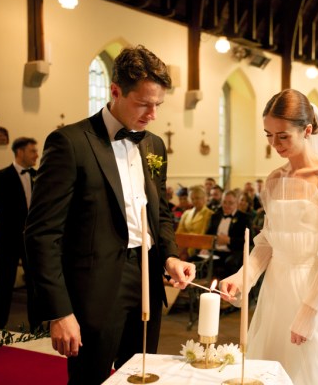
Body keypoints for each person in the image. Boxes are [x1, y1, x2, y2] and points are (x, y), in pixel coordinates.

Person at [24, 45, 195, 385]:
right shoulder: (69, 143)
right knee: (91, 379)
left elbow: (159, 212)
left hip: (146, 277)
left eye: (158, 104)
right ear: (115, 91)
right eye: (144, 103)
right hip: (95, 289)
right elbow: (42, 234)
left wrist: (171, 256)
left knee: (143, 375)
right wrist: (59, 311)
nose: (152, 114)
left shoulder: (154, 145)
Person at [220, 89, 318, 384]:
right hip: (276, 290)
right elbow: (267, 241)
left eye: (283, 136)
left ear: (307, 130)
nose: (274, 144)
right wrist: (243, 277)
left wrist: (309, 312)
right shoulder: (274, 179)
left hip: (313, 289)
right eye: (268, 135)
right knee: (268, 370)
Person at [0, 137, 41, 331]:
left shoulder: (39, 175)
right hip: (9, 237)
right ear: (20, 152)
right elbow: (2, 207)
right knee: (5, 282)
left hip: (31, 239)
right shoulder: (0, 176)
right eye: (32, 151)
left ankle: (36, 324)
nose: (37, 155)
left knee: (34, 283)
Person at [206, 190, 250, 279]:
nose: (226, 205)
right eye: (224, 202)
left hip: (233, 252)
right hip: (215, 251)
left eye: (230, 203)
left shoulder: (244, 218)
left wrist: (229, 240)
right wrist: (205, 247)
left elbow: (248, 241)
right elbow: (208, 234)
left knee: (229, 263)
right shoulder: (215, 216)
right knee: (195, 259)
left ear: (237, 203)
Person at [176, 185, 213, 260]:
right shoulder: (186, 213)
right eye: (192, 199)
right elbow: (179, 232)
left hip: (199, 247)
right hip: (183, 246)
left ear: (204, 198)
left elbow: (204, 233)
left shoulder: (209, 214)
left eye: (197, 198)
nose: (194, 201)